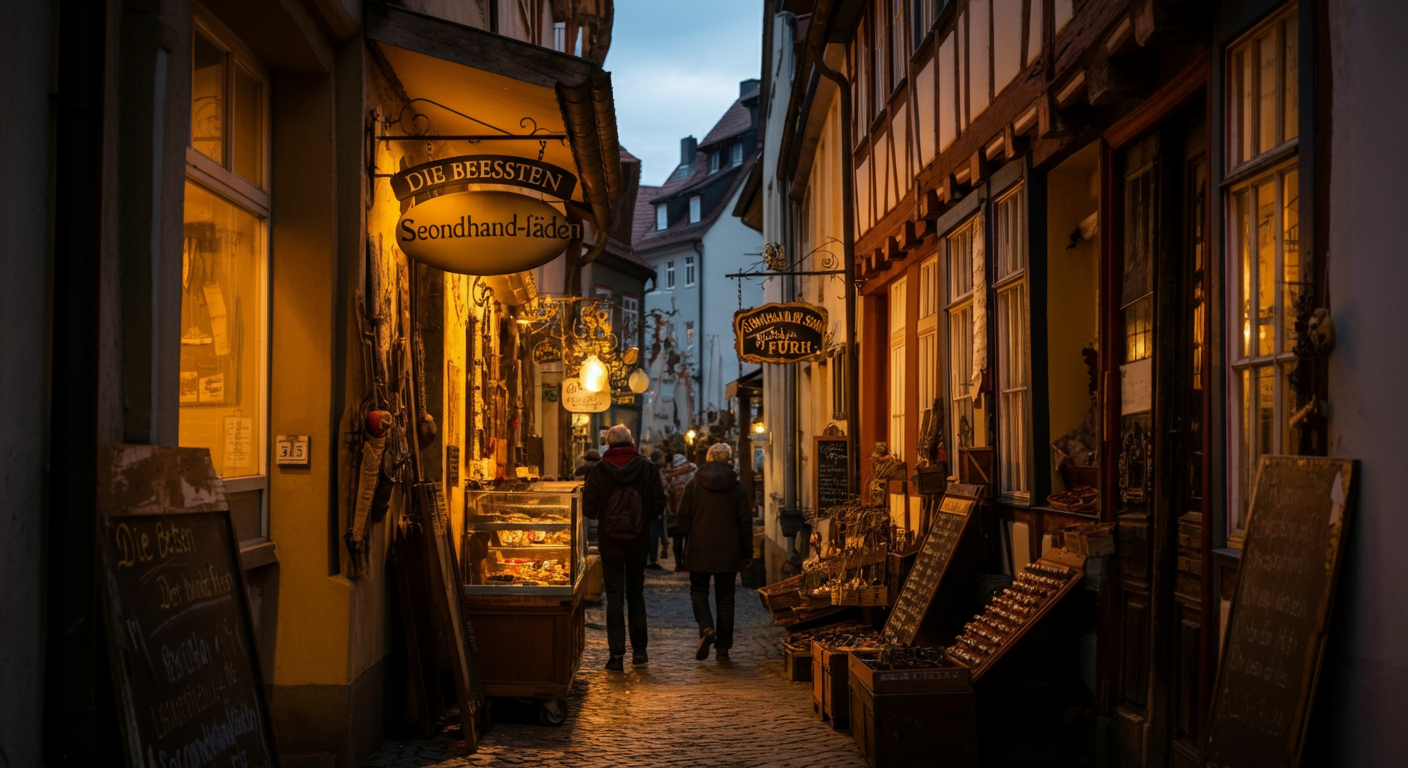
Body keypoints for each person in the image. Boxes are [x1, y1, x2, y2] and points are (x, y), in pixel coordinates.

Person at [583, 425, 666, 670]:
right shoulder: (647, 468)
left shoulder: (599, 471)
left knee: (615, 596)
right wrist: (642, 522)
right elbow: (658, 503)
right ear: (631, 442)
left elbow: (588, 508)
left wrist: (606, 518)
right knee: (636, 594)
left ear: (608, 445)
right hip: (639, 541)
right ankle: (640, 652)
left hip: (610, 542)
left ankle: (616, 656)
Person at [677, 442, 753, 662]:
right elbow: (745, 522)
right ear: (728, 460)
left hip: (699, 547)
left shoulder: (694, 483)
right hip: (729, 551)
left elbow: (683, 517)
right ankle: (723, 647)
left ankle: (707, 627)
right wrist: (747, 553)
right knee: (726, 599)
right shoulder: (736, 486)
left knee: (698, 590)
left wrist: (686, 539)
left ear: (708, 459)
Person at [664, 453, 697, 572]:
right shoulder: (692, 474)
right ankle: (684, 563)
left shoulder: (672, 476)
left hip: (677, 512)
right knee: (685, 540)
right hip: (685, 512)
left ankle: (681, 563)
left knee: (680, 540)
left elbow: (667, 491)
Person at [646, 450, 669, 568]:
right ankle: (651, 559)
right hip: (656, 509)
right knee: (654, 534)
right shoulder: (655, 471)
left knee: (655, 533)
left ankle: (652, 558)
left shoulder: (652, 470)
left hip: (655, 507)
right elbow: (658, 490)